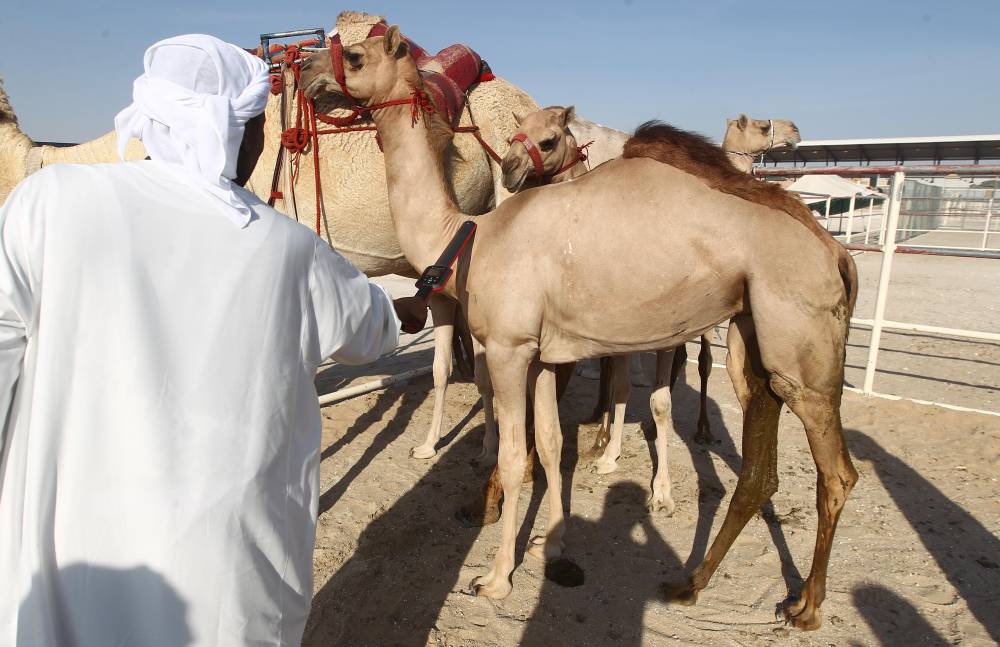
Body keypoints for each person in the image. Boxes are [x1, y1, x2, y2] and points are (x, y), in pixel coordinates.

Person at [0, 34, 427, 646]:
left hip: (66, 550)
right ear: (239, 131)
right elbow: (367, 332)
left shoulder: (48, 202)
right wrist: (407, 305)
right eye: (259, 124)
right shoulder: (288, 247)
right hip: (223, 574)